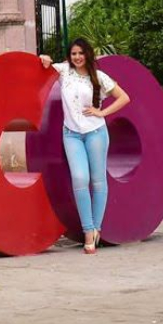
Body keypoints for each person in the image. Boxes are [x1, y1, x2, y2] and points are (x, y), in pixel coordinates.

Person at [40, 38, 131, 254]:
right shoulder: (64, 72)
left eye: (81, 53)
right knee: (80, 178)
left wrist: (102, 112)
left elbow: (124, 97)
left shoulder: (99, 77)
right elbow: (45, 63)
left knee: (98, 182)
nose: (77, 57)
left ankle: (96, 228)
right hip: (71, 135)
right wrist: (43, 58)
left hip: (96, 133)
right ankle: (88, 230)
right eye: (73, 54)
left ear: (88, 54)